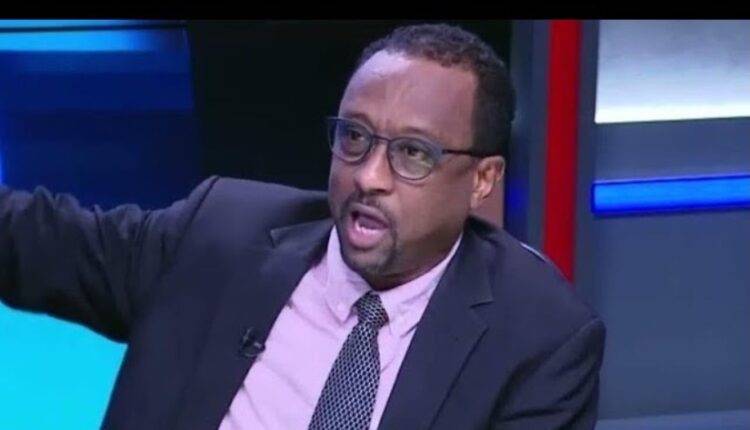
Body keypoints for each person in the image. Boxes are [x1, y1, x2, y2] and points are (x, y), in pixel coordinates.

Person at [0, 23, 605, 429]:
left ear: (482, 179)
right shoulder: (219, 233)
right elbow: (32, 239)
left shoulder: (539, 340)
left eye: (412, 154)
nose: (369, 176)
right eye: (355, 137)